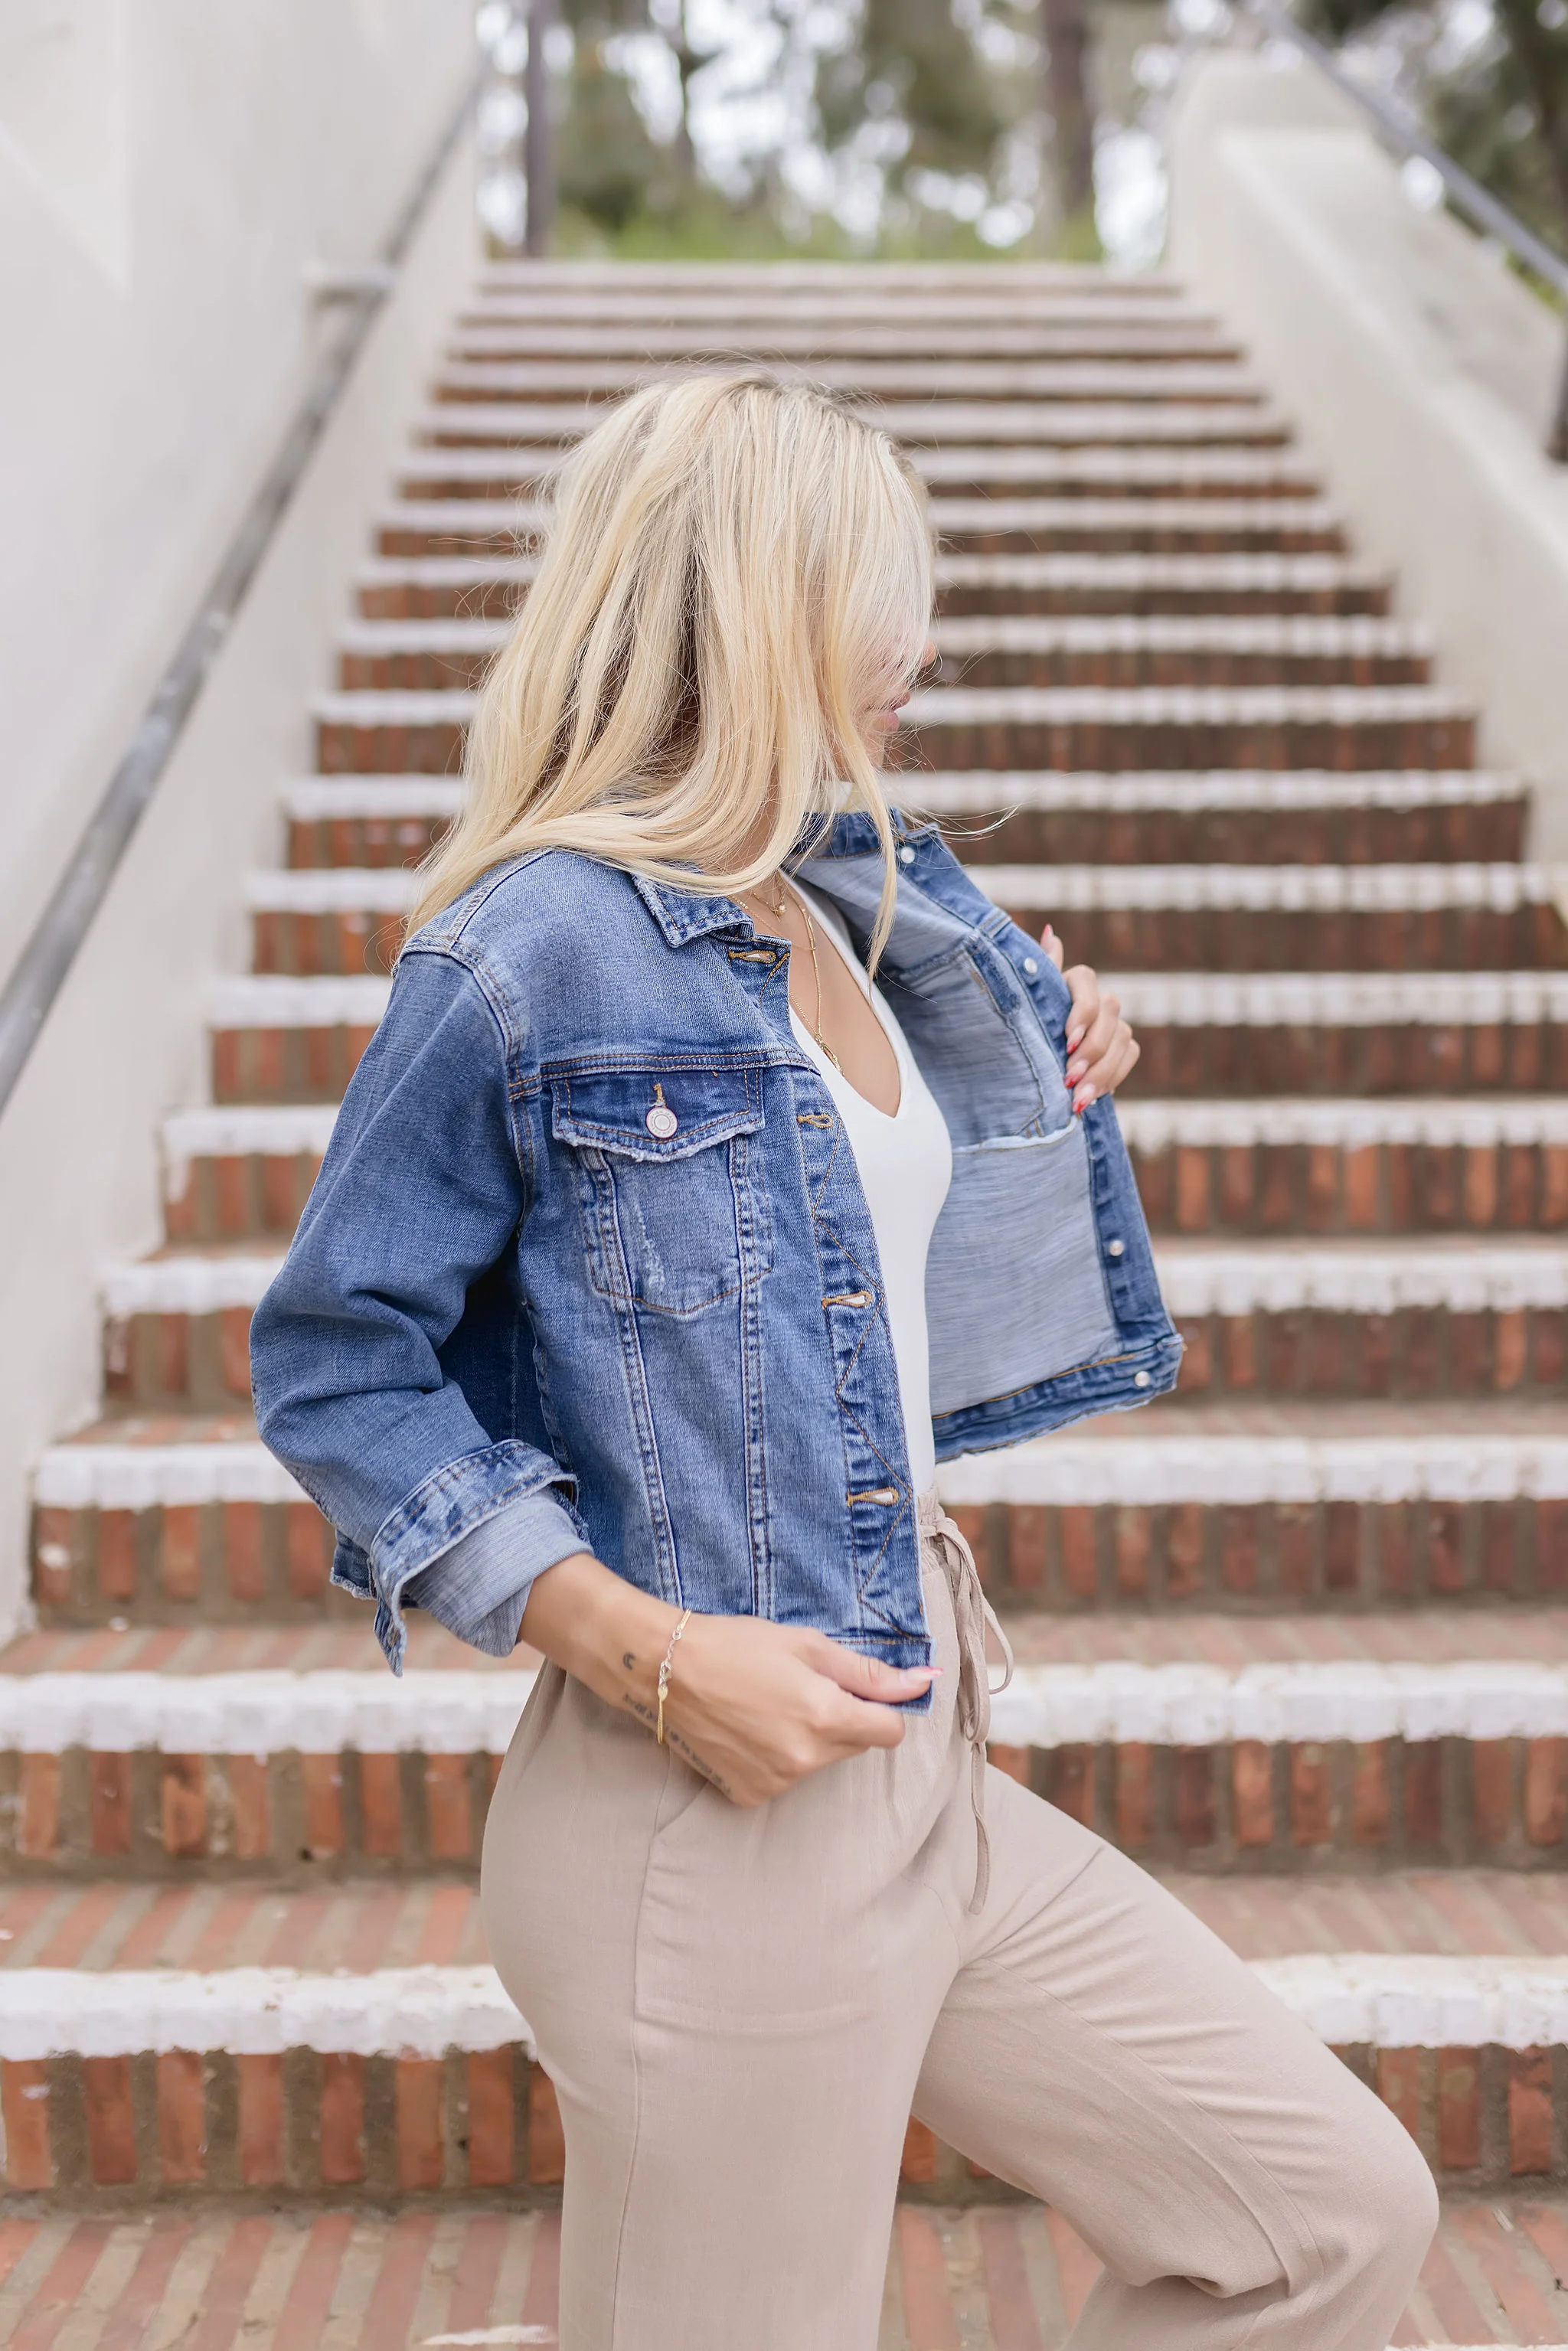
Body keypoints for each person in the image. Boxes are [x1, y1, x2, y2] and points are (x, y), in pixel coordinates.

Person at [250, 371, 1436, 2351]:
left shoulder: (859, 903)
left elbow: (853, 1261)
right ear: (759, 605)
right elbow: (335, 1361)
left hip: (926, 1749)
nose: (926, 647)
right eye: (888, 595)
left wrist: (1044, 1054)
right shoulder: (530, 949)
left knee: (1323, 2220)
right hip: (702, 1791)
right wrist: (643, 1643)